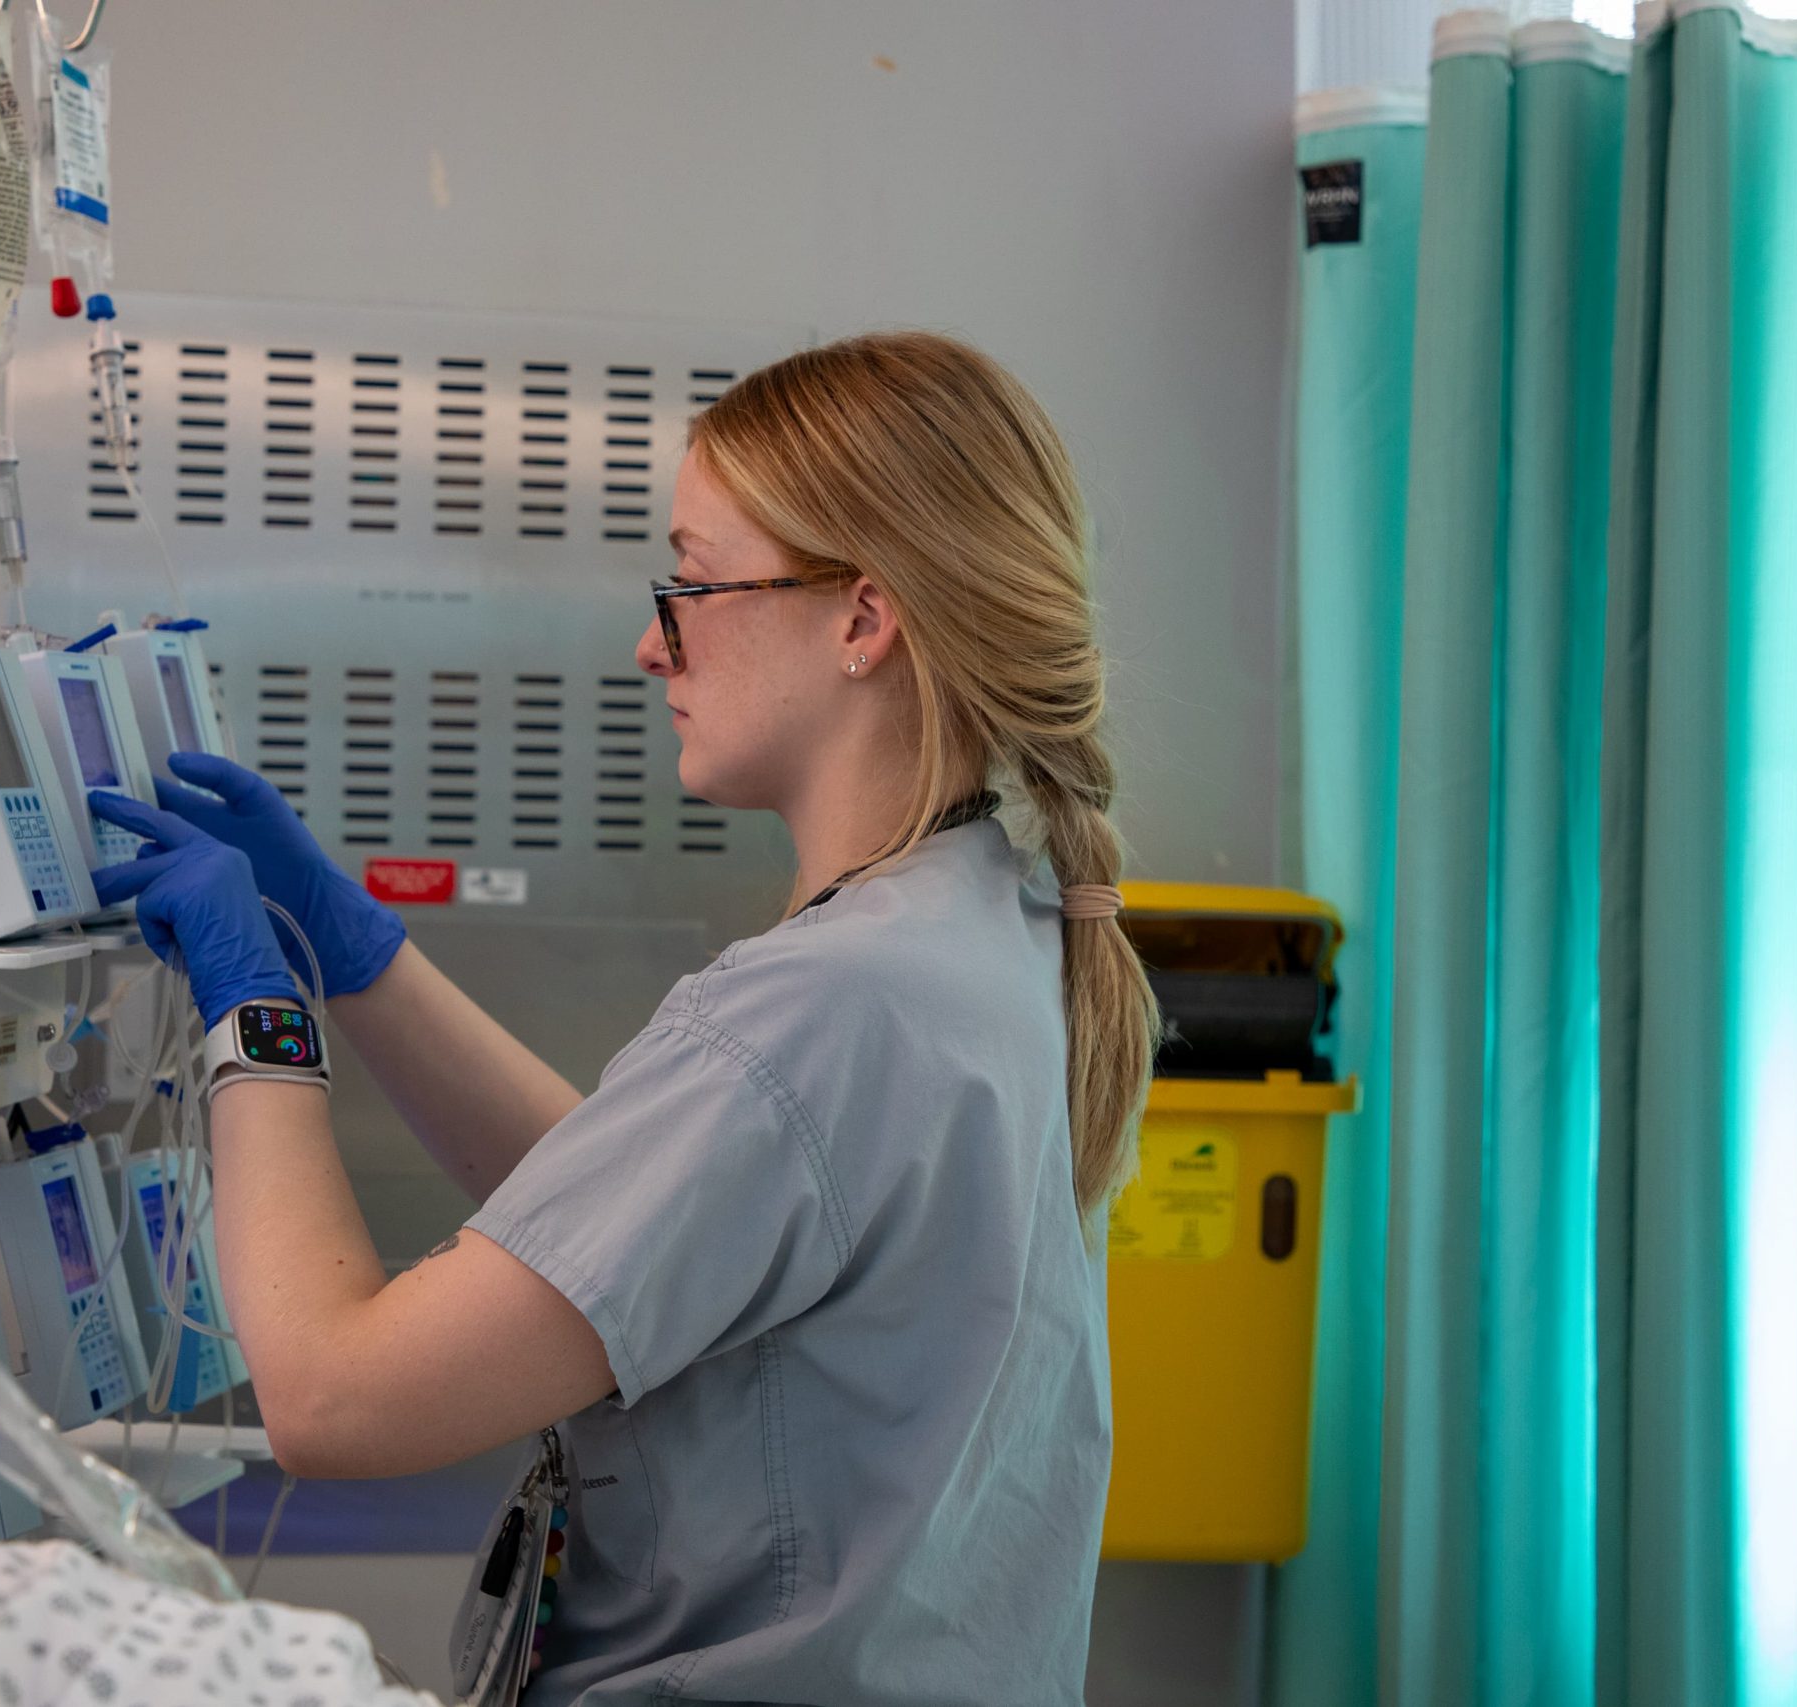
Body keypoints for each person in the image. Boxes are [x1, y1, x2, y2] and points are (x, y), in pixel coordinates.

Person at [86, 330, 1158, 1705]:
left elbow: (328, 1397)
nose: (648, 645)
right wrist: (358, 961)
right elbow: (631, 1221)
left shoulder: (823, 1007)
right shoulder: (987, 927)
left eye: (692, 583)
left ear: (862, 620)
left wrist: (255, 1013)